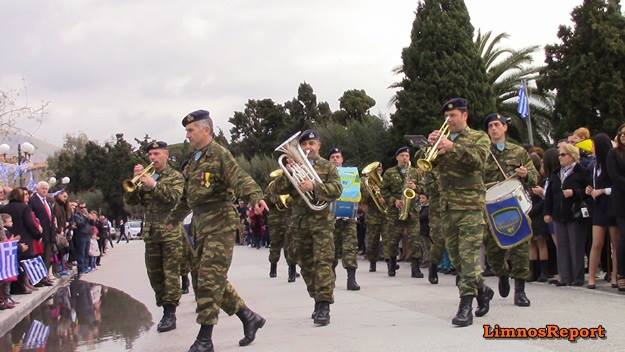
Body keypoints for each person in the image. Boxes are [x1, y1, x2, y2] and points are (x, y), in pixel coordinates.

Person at [165, 110, 268, 352]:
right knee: (203, 278)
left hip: (220, 222)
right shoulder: (193, 162)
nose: (187, 135)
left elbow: (240, 177)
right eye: (187, 131)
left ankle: (205, 338)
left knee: (209, 280)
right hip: (200, 224)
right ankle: (248, 317)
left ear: (206, 130)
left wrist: (255, 197)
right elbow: (185, 199)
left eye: (191, 130)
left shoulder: (220, 154)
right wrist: (172, 220)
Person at [426, 98, 492, 327]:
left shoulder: (479, 138)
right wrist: (430, 146)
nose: (449, 120)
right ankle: (482, 289)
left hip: (471, 207)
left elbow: (478, 162)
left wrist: (452, 147)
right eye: (446, 116)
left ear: (465, 115)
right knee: (457, 258)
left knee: (468, 256)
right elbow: (424, 165)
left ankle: (466, 307)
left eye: (452, 116)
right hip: (447, 208)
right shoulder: (442, 141)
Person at [272, 129, 342, 326]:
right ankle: (316, 298)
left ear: (319, 145)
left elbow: (337, 190)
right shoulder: (293, 166)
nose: (308, 148)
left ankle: (324, 305)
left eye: (312, 144)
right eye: (304, 145)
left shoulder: (328, 167)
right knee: (306, 265)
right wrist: (288, 171)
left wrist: (315, 187)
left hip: (322, 224)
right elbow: (275, 190)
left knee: (323, 263)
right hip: (300, 225)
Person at [124, 141, 184, 333]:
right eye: (150, 154)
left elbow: (175, 198)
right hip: (151, 233)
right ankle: (164, 305)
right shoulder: (146, 177)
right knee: (154, 274)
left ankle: (170, 313)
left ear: (166, 155)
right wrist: (136, 181)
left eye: (156, 154)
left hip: (170, 233)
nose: (152, 158)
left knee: (170, 273)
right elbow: (132, 201)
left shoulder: (175, 176)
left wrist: (155, 185)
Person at [482, 113, 538, 307]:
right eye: (490, 126)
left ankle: (520, 291)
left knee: (521, 246)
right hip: (491, 208)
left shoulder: (519, 152)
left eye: (497, 125)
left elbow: (534, 175)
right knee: (493, 250)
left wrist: (526, 174)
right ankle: (502, 273)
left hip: (514, 205)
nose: (494, 129)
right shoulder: (482, 152)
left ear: (505, 127)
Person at [544, 143, 591, 286]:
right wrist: (547, 212)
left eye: (563, 154)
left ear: (572, 156)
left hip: (575, 213)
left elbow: (588, 190)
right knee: (562, 245)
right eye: (559, 155)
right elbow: (549, 194)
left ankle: (577, 277)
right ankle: (564, 277)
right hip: (559, 214)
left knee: (576, 246)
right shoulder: (556, 173)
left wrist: (574, 193)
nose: (560, 157)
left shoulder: (581, 171)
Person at [381, 146, 424, 278]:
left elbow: (423, 188)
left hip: (412, 210)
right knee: (393, 239)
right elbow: (384, 191)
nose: (405, 158)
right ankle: (392, 264)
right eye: (402, 156)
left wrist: (415, 187)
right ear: (397, 157)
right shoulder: (389, 172)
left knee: (415, 240)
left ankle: (415, 268)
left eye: (407, 156)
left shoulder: (415, 172)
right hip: (396, 211)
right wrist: (394, 201)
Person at [586, 133, 619, 289]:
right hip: (599, 206)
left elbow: (617, 187)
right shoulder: (594, 165)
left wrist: (602, 191)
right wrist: (591, 189)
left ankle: (615, 275)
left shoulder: (611, 162)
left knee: (615, 244)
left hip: (612, 204)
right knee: (597, 243)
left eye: (593, 145)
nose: (591, 148)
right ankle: (591, 278)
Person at [328, 148, 360, 291]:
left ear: (342, 160)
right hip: (330, 218)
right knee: (331, 249)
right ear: (329, 160)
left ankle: (351, 279)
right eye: (333, 157)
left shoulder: (351, 174)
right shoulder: (324, 175)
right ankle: (331, 275)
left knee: (350, 247)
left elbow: (359, 192)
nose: (335, 159)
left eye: (338, 157)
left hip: (349, 217)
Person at [265, 170, 298, 282]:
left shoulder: (291, 187)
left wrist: (290, 199)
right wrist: (275, 198)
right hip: (275, 220)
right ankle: (273, 268)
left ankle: (292, 270)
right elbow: (267, 201)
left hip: (289, 219)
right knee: (275, 244)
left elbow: (295, 201)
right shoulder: (272, 188)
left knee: (290, 245)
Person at [607, 123, 625, 291]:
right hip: (621, 201)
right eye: (622, 133)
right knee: (623, 238)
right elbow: (614, 177)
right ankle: (621, 274)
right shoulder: (613, 154)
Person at [28, 181, 56, 286]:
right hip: (39, 234)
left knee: (47, 256)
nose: (44, 190)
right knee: (39, 256)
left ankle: (44, 276)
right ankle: (39, 278)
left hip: (49, 233)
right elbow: (32, 216)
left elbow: (51, 217)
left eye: (46, 189)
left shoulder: (48, 201)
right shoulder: (33, 201)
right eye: (42, 188)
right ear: (37, 189)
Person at [360, 163, 386, 272]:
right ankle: (372, 261)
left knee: (388, 239)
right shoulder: (366, 182)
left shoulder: (385, 180)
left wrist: (385, 199)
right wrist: (372, 193)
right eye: (376, 169)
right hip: (373, 214)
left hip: (386, 214)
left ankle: (390, 262)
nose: (379, 170)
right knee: (373, 240)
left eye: (380, 168)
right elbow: (363, 199)